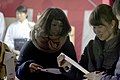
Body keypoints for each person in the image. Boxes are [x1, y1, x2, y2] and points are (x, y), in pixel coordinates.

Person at [15, 7, 77, 80]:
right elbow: (18, 71)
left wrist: (68, 69)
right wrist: (27, 66)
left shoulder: (66, 45)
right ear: (46, 25)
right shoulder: (32, 44)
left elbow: (76, 72)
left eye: (61, 26)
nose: (57, 29)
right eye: (54, 25)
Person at [74, 4, 120, 80]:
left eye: (100, 26)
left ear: (112, 24)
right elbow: (79, 73)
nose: (96, 31)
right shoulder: (91, 46)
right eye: (94, 27)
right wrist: (68, 67)